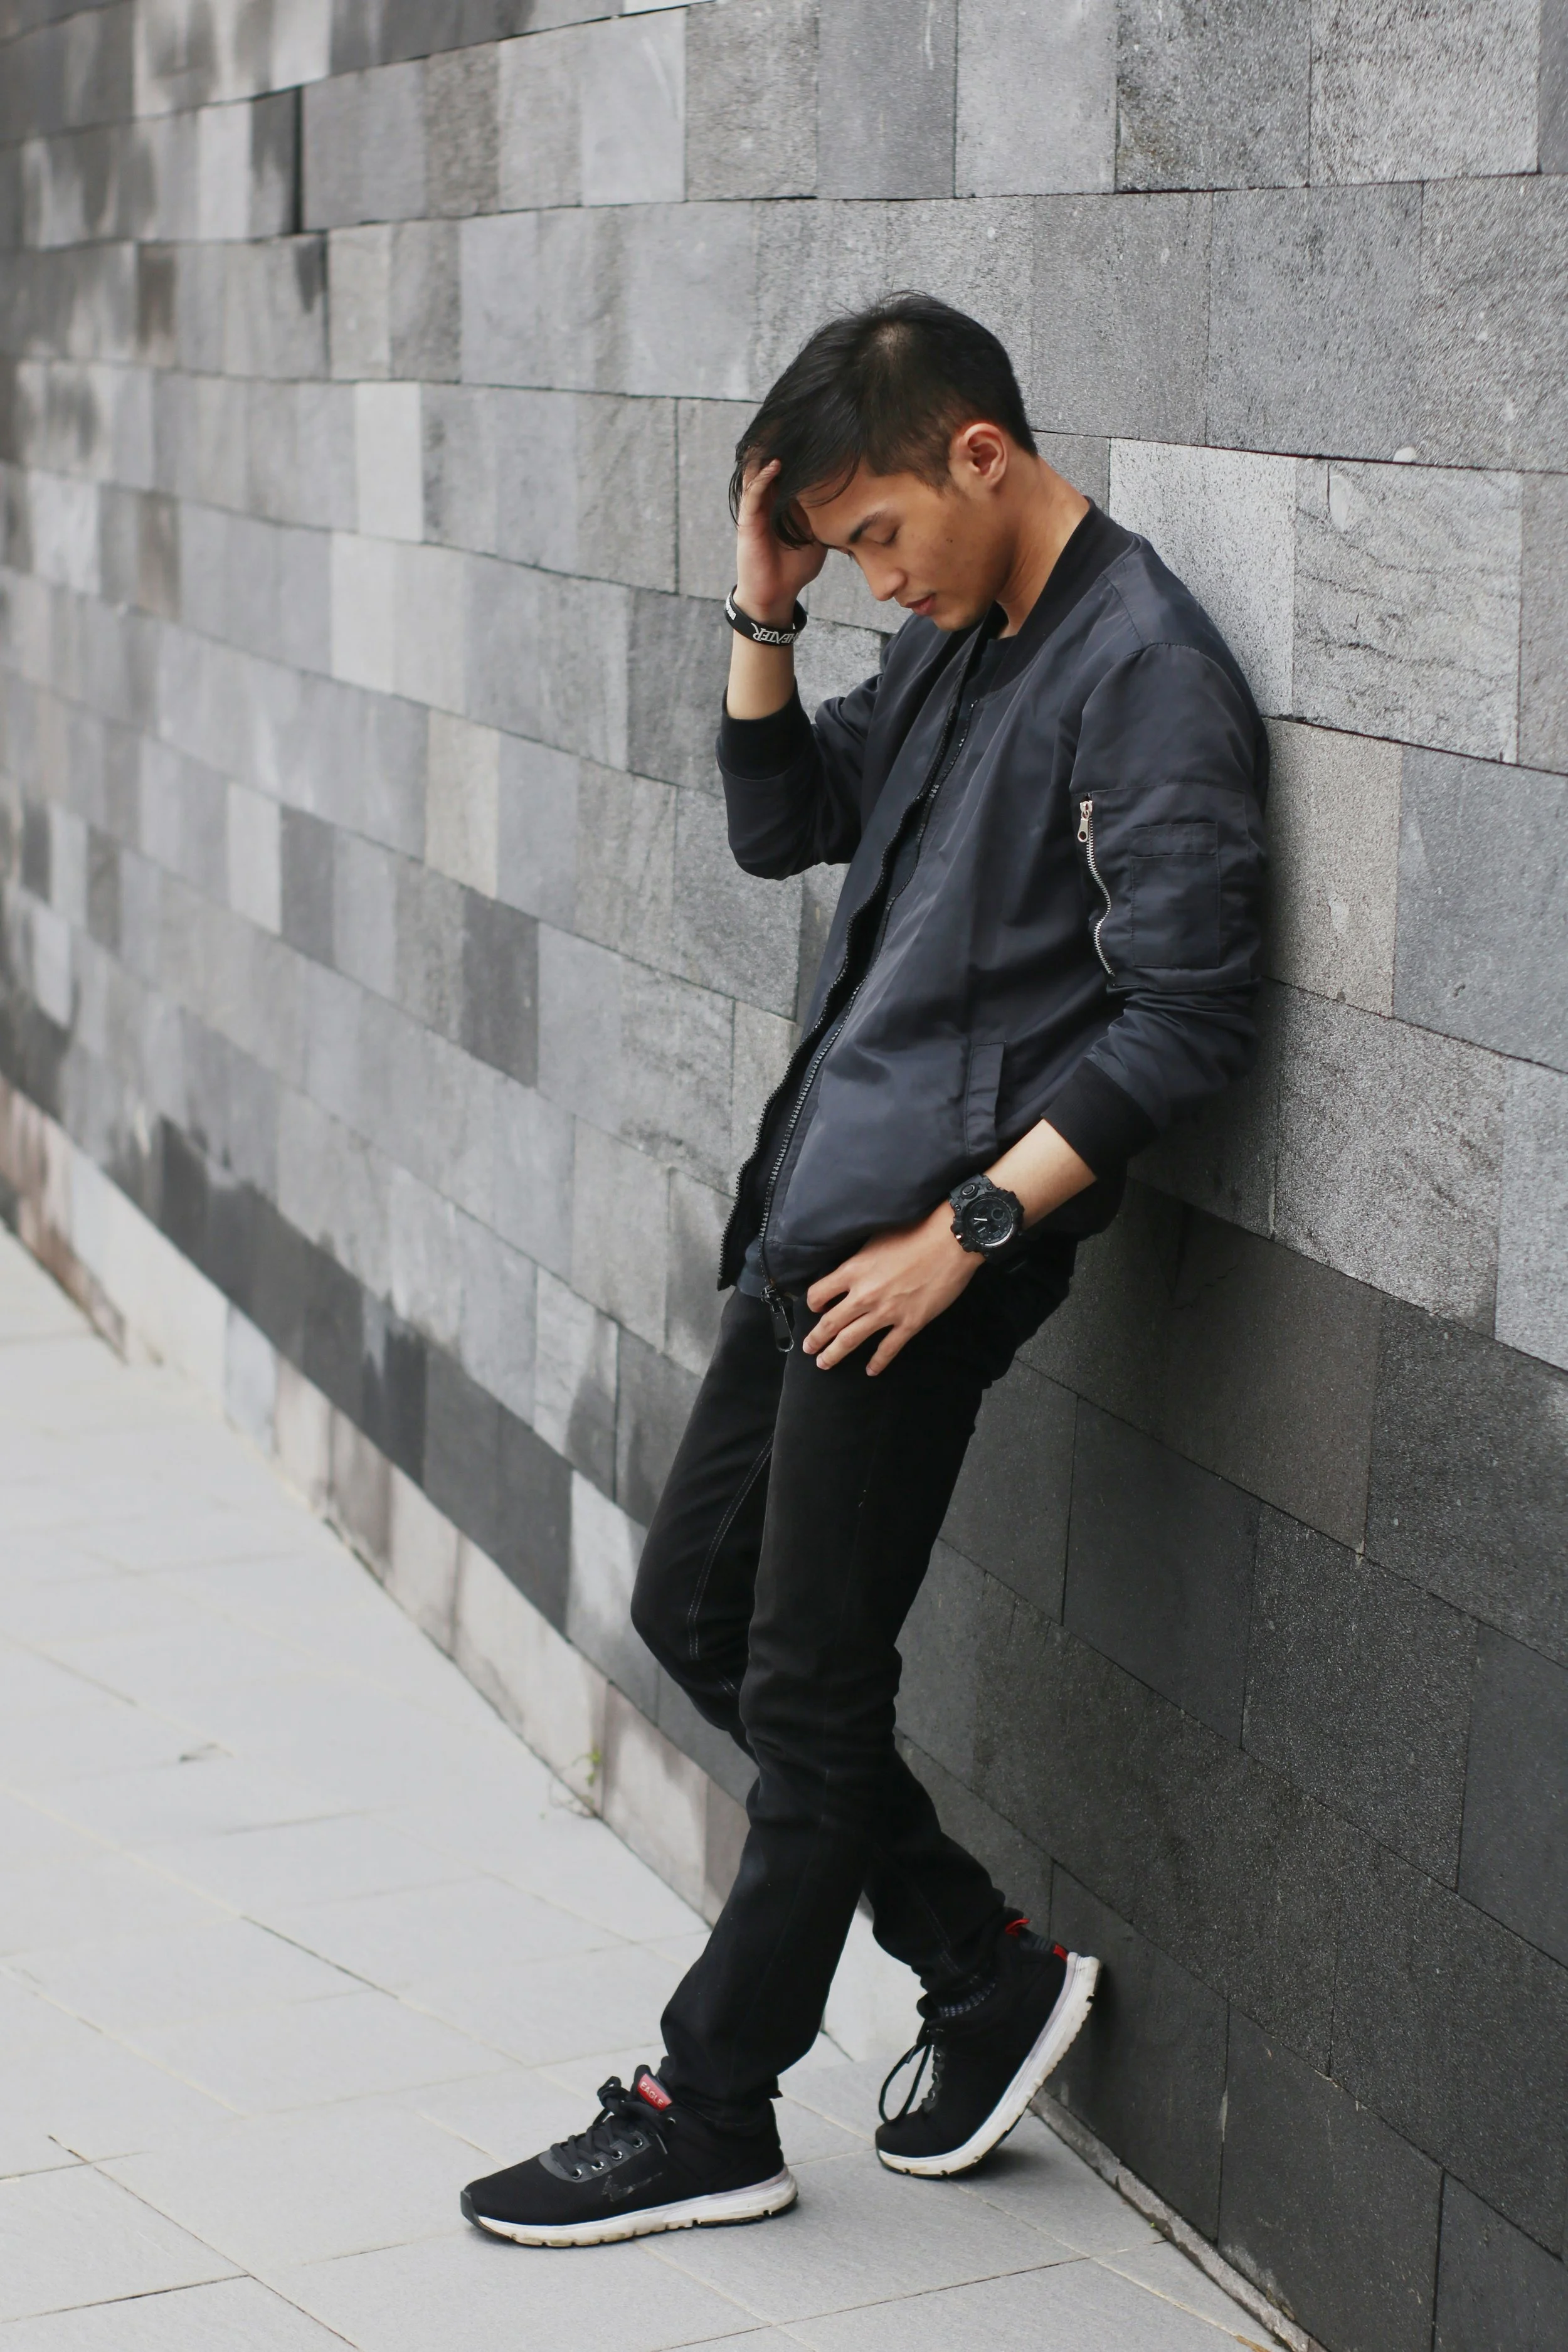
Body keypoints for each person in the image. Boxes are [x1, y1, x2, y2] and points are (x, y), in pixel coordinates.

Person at [462, 294, 1268, 2247]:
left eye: (878, 536)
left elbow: (1186, 1011)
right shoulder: (955, 641)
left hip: (928, 1251)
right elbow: (781, 826)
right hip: (822, 1220)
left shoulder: (1138, 670)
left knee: (809, 1689)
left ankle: (710, 2102)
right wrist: (768, 607)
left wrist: (971, 1228)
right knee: (701, 1607)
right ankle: (977, 1966)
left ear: (978, 454)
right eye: (845, 556)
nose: (873, 581)